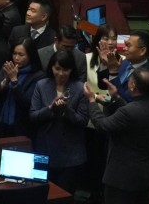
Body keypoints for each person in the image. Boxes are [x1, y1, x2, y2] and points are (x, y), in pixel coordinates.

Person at [85, 67, 149, 204]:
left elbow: (102, 125)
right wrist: (116, 97)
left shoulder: (129, 112)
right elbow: (132, 113)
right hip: (145, 174)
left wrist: (92, 101)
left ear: (133, 86)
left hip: (122, 179)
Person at [30, 49, 89, 191]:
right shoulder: (41, 85)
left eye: (65, 69)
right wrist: (50, 108)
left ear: (71, 70)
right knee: (39, 194)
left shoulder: (80, 88)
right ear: (51, 67)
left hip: (70, 155)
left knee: (64, 197)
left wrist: (66, 110)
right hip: (44, 151)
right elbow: (33, 116)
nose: (61, 73)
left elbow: (83, 121)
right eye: (57, 69)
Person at [0, 37, 43, 138]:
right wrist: (5, 83)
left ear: (30, 55)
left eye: (21, 55)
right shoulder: (7, 68)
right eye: (14, 53)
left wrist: (15, 81)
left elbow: (27, 103)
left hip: (22, 127)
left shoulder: (38, 76)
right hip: (1, 124)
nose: (16, 58)